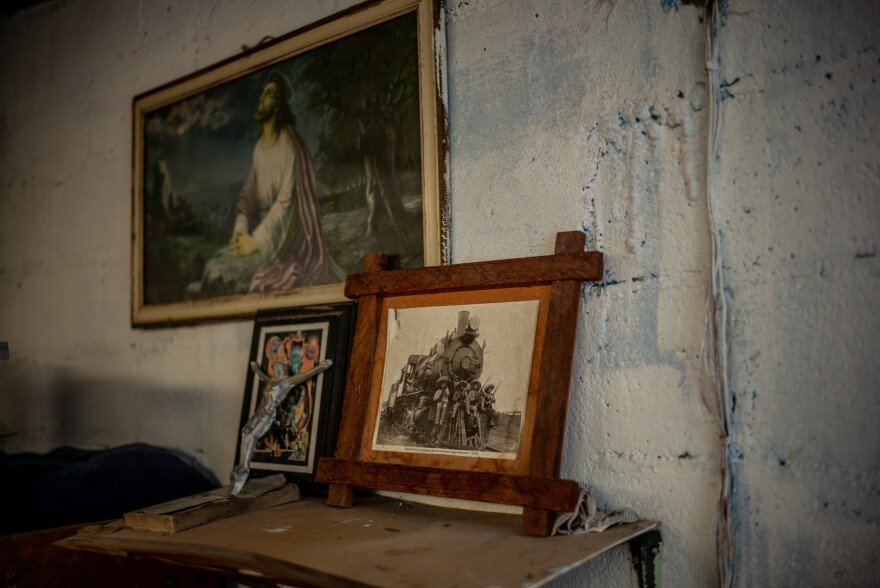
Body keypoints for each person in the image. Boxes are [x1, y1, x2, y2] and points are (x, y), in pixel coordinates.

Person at [192, 71, 341, 297]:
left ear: (279, 103)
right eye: (262, 93)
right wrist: (240, 231)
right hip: (266, 229)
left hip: (285, 231)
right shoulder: (259, 147)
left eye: (269, 94)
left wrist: (257, 240)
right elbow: (248, 195)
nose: (261, 98)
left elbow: (286, 202)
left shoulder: (288, 144)